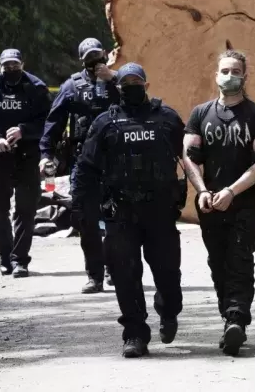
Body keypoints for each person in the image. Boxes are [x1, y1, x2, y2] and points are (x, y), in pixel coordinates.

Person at [75, 63, 185, 358]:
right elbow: (86, 167)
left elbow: (190, 157)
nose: (131, 87)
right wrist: (80, 205)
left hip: (160, 210)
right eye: (126, 84)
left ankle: (169, 310)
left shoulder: (167, 118)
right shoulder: (105, 123)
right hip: (122, 211)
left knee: (167, 274)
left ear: (146, 86)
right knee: (124, 275)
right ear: (118, 88)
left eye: (137, 82)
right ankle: (135, 334)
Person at [182, 50, 255, 356]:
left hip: (244, 203)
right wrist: (203, 190)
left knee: (239, 260)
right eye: (225, 70)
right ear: (216, 74)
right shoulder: (200, 114)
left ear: (245, 77)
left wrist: (232, 191)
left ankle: (236, 319)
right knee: (218, 263)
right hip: (209, 205)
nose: (229, 75)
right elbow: (189, 157)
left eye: (236, 71)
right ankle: (229, 317)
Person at [40, 38, 119, 294]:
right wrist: (45, 154)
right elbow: (54, 121)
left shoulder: (119, 80)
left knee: (119, 218)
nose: (96, 63)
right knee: (86, 220)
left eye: (99, 56)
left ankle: (114, 270)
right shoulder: (72, 86)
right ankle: (94, 275)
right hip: (84, 162)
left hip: (117, 161)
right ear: (82, 61)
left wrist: (114, 79)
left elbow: (142, 102)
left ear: (106, 55)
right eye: (90, 59)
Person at [0, 49, 51, 277]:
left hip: (27, 157)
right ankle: (5, 257)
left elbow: (49, 120)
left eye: (15, 65)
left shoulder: (36, 88)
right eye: (7, 66)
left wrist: (24, 131)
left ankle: (20, 260)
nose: (11, 69)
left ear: (22, 64)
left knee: (25, 210)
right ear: (0, 66)